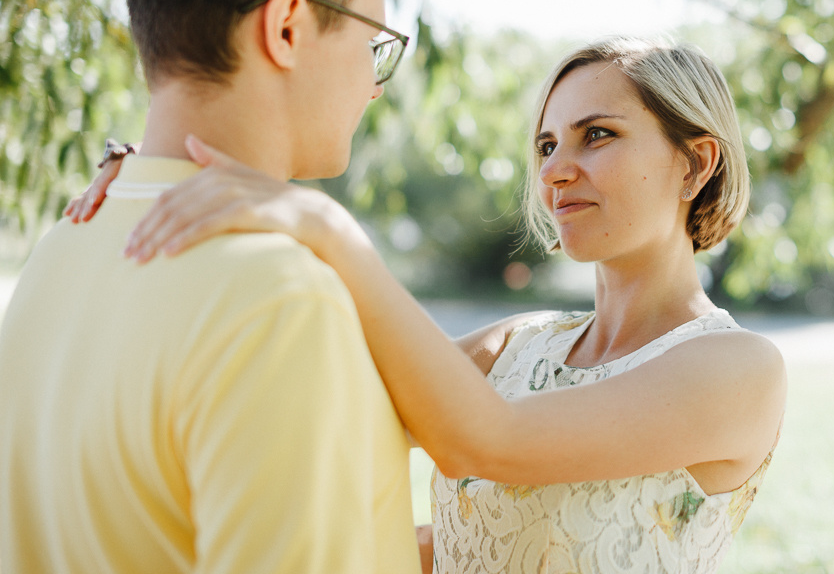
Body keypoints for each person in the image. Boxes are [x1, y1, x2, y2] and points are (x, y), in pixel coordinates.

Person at [74, 36, 788, 573]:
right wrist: (158, 173)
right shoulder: (521, 343)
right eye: (546, 144)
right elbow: (329, 400)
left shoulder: (737, 370)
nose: (556, 170)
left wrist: (328, 228)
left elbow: (489, 442)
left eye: (596, 135)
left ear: (696, 163)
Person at [0, 0, 420, 572]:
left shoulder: (62, 245)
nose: (373, 83)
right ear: (288, 26)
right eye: (373, 41)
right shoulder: (280, 300)